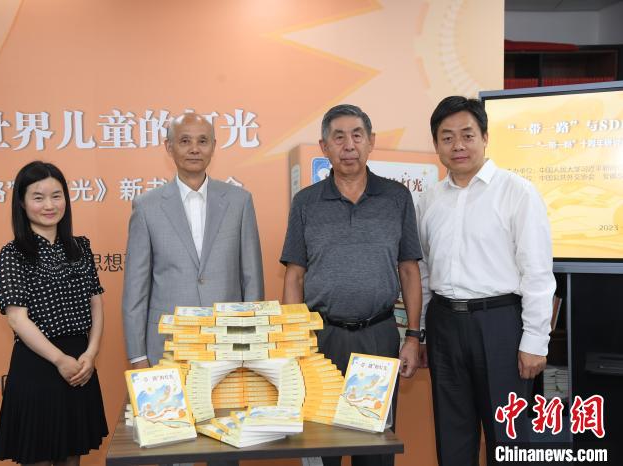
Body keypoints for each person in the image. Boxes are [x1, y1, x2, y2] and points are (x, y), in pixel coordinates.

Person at [280, 104, 423, 466]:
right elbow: (294, 276)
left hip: (378, 338)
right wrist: (295, 344)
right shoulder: (306, 202)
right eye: (338, 137)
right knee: (320, 446)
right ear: (324, 146)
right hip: (321, 340)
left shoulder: (396, 198)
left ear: (370, 141)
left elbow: (409, 270)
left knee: (373, 450)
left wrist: (412, 337)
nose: (349, 145)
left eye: (357, 135)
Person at [417, 96, 556, 466]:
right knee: (452, 436)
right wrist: (424, 332)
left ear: (485, 137)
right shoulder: (428, 200)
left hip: (500, 325)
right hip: (444, 324)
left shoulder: (517, 192)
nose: (458, 145)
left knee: (507, 439)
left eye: (467, 135)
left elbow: (538, 273)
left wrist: (535, 340)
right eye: (447, 137)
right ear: (436, 145)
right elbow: (424, 272)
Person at [122, 111, 264, 367]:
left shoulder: (239, 201)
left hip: (229, 343)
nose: (194, 149)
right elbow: (136, 289)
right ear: (169, 147)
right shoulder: (146, 207)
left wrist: (252, 345)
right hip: (167, 346)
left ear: (213, 146)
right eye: (185, 141)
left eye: (203, 141)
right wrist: (138, 355)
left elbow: (252, 280)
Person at [0, 161, 108, 466]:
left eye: (56, 196)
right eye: (38, 197)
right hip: (38, 365)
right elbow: (17, 318)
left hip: (80, 364)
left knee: (72, 456)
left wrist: (91, 353)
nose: (49, 205)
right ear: (22, 202)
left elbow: (96, 302)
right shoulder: (13, 253)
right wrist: (59, 360)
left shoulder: (80, 247)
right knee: (39, 457)